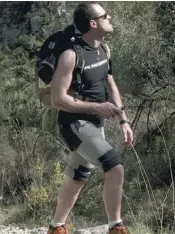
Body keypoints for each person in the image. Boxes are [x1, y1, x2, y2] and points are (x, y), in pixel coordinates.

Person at [47, 3, 133, 234]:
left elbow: (110, 84)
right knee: (114, 167)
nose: (110, 17)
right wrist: (97, 107)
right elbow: (57, 99)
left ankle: (56, 227)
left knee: (78, 176)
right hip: (74, 124)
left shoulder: (104, 50)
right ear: (93, 24)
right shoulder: (70, 55)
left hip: (96, 124)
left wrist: (123, 120)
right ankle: (116, 226)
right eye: (105, 15)